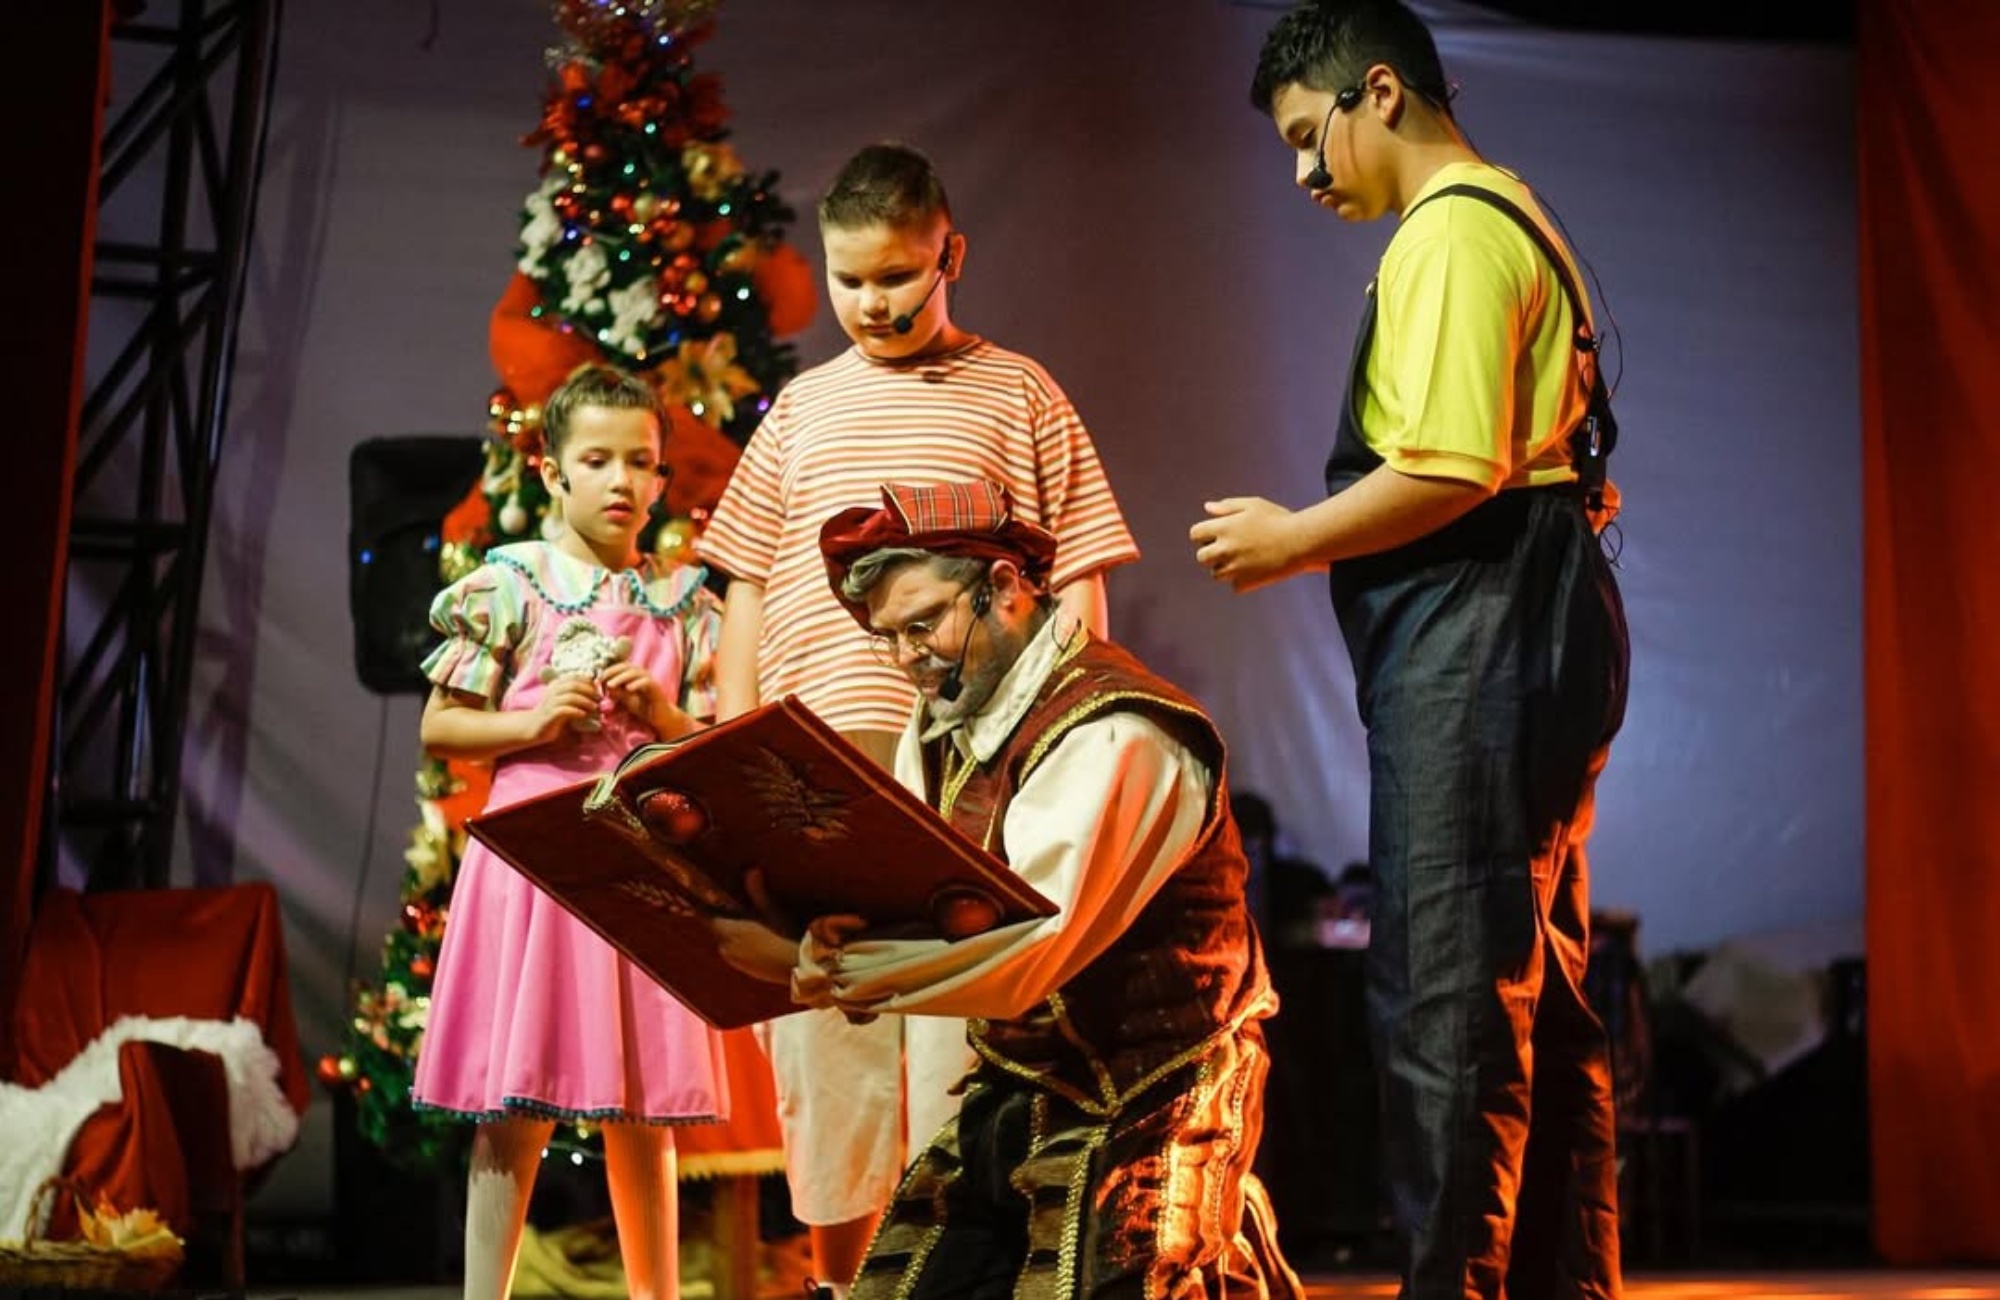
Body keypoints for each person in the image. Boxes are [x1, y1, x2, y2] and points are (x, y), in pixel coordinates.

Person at [1187, 3, 1632, 1297]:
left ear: (1378, 93)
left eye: (1306, 136)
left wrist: (1290, 538)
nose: (1303, 174)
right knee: (1531, 993)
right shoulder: (1510, 213)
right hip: (1535, 624)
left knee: (1446, 997)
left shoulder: (1450, 231)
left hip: (1486, 633)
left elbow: (1452, 467)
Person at [696, 142, 1138, 1295]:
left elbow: (1076, 573)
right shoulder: (800, 410)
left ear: (950, 256)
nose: (872, 302)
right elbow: (745, 581)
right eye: (849, 279)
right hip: (817, 762)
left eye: (896, 275)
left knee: (959, 1021)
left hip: (964, 764)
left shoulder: (1018, 391)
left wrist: (1062, 728)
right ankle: (844, 1281)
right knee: (830, 1033)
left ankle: (945, 1274)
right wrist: (735, 744)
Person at [709, 479, 1300, 1300]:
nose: (908, 656)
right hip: (1023, 1085)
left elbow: (1030, 947)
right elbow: (920, 896)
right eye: (889, 637)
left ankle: (1217, 1242)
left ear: (1006, 587)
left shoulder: (1115, 730)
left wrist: (818, 969)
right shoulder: (946, 724)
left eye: (924, 624)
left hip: (1154, 1088)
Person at [412, 362, 727, 1300]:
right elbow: (441, 725)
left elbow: (715, 748)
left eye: (640, 462)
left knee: (644, 1106)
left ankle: (656, 1294)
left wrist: (664, 718)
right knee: (516, 1105)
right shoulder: (513, 583)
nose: (621, 480)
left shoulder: (682, 602)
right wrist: (534, 723)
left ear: (661, 476)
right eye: (597, 460)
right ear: (552, 472)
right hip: (536, 861)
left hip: (638, 857)